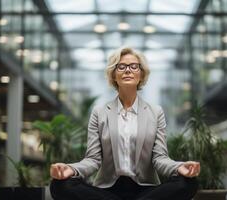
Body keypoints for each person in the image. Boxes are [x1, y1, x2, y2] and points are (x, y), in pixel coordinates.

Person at [49, 47, 200, 200]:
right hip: (107, 191)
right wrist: (70, 169)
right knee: (60, 185)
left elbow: (160, 158)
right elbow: (93, 160)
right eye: (121, 66)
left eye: (134, 66)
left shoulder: (155, 112)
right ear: (114, 75)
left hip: (145, 190)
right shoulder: (99, 112)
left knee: (187, 183)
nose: (128, 70)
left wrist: (179, 167)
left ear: (141, 74)